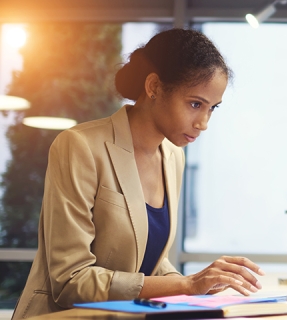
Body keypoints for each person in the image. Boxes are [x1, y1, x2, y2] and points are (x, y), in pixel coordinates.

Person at [12, 28, 265, 320]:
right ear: (154, 86)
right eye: (195, 104)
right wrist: (187, 284)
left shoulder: (173, 157)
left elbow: (149, 266)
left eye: (212, 108)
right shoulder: (80, 146)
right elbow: (71, 281)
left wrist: (202, 285)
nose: (203, 123)